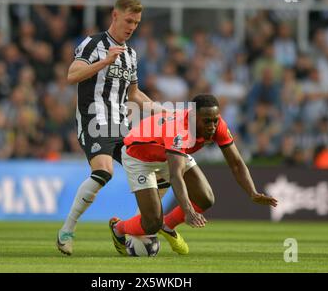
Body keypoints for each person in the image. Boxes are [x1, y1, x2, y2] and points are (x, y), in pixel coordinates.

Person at [57, 0, 165, 255]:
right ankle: (66, 232)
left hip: (121, 124)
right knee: (104, 171)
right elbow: (72, 75)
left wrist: (161, 110)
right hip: (94, 119)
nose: (132, 27)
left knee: (160, 171)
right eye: (129, 20)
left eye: (137, 23)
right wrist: (104, 62)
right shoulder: (93, 44)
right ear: (115, 15)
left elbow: (134, 94)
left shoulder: (130, 54)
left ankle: (133, 227)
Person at [109, 94, 278, 255]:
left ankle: (167, 225)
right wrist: (187, 210)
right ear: (192, 117)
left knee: (205, 198)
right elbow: (176, 175)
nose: (212, 126)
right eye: (206, 121)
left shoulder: (218, 125)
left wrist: (252, 192)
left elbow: (236, 163)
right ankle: (118, 227)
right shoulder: (178, 129)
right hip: (139, 157)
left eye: (215, 120)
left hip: (171, 153)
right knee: (151, 223)